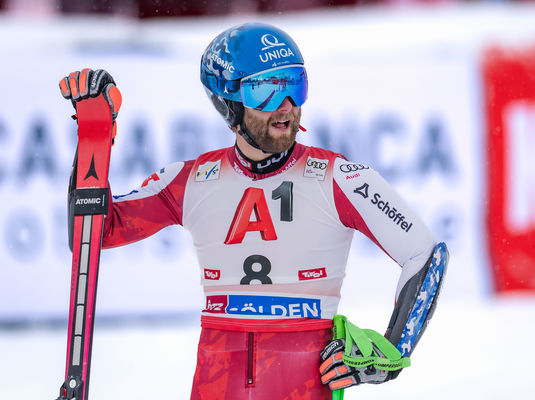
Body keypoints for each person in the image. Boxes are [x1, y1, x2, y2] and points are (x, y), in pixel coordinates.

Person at [59, 22, 448, 400]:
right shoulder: (191, 180)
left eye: (295, 85)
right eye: (266, 91)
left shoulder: (338, 177)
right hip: (216, 381)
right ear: (227, 101)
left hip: (302, 383)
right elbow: (93, 235)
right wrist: (95, 136)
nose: (286, 106)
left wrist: (393, 351)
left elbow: (425, 252)